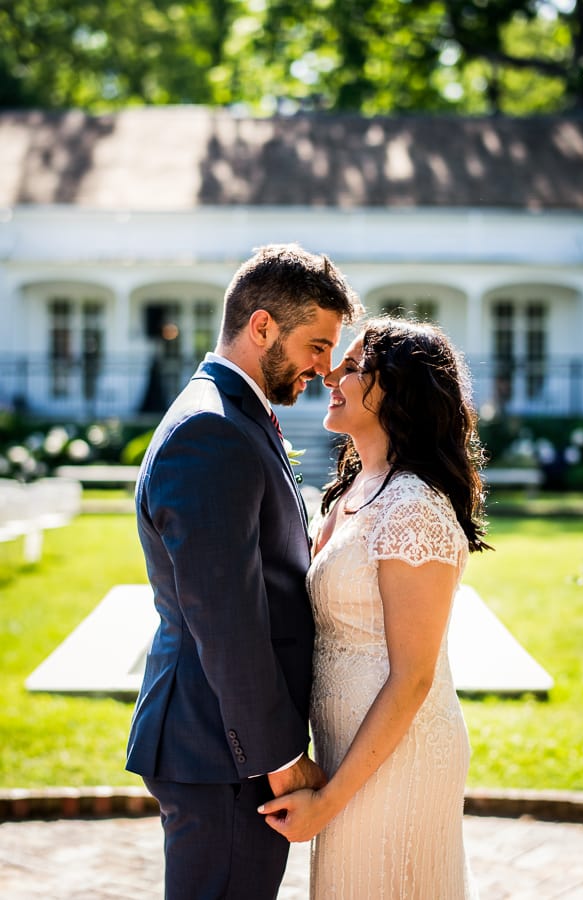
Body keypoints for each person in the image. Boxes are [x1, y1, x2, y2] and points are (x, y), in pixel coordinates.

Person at [126, 243, 361, 900]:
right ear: (262, 327)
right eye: (316, 345)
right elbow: (224, 617)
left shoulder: (234, 415)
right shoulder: (212, 431)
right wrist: (278, 758)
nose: (325, 367)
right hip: (224, 750)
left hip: (222, 744)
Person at [259, 317, 492, 899]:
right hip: (349, 750)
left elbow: (413, 677)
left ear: (401, 392)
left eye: (357, 366)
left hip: (399, 757)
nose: (333, 373)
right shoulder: (356, 489)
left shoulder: (412, 506)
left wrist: (330, 801)